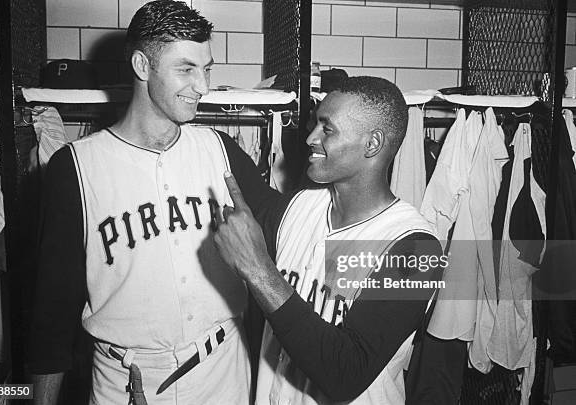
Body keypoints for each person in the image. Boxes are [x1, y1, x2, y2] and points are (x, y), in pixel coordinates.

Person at [28, 1, 275, 404]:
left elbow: (291, 226)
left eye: (206, 68)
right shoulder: (75, 167)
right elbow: (51, 314)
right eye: (186, 69)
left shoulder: (220, 149)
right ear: (142, 67)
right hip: (124, 380)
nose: (203, 86)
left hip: (223, 372)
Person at [213, 76, 445, 404]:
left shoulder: (414, 248)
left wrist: (258, 270)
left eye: (327, 129)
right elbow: (250, 187)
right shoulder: (299, 206)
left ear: (372, 144)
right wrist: (200, 134)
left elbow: (346, 371)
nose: (310, 137)